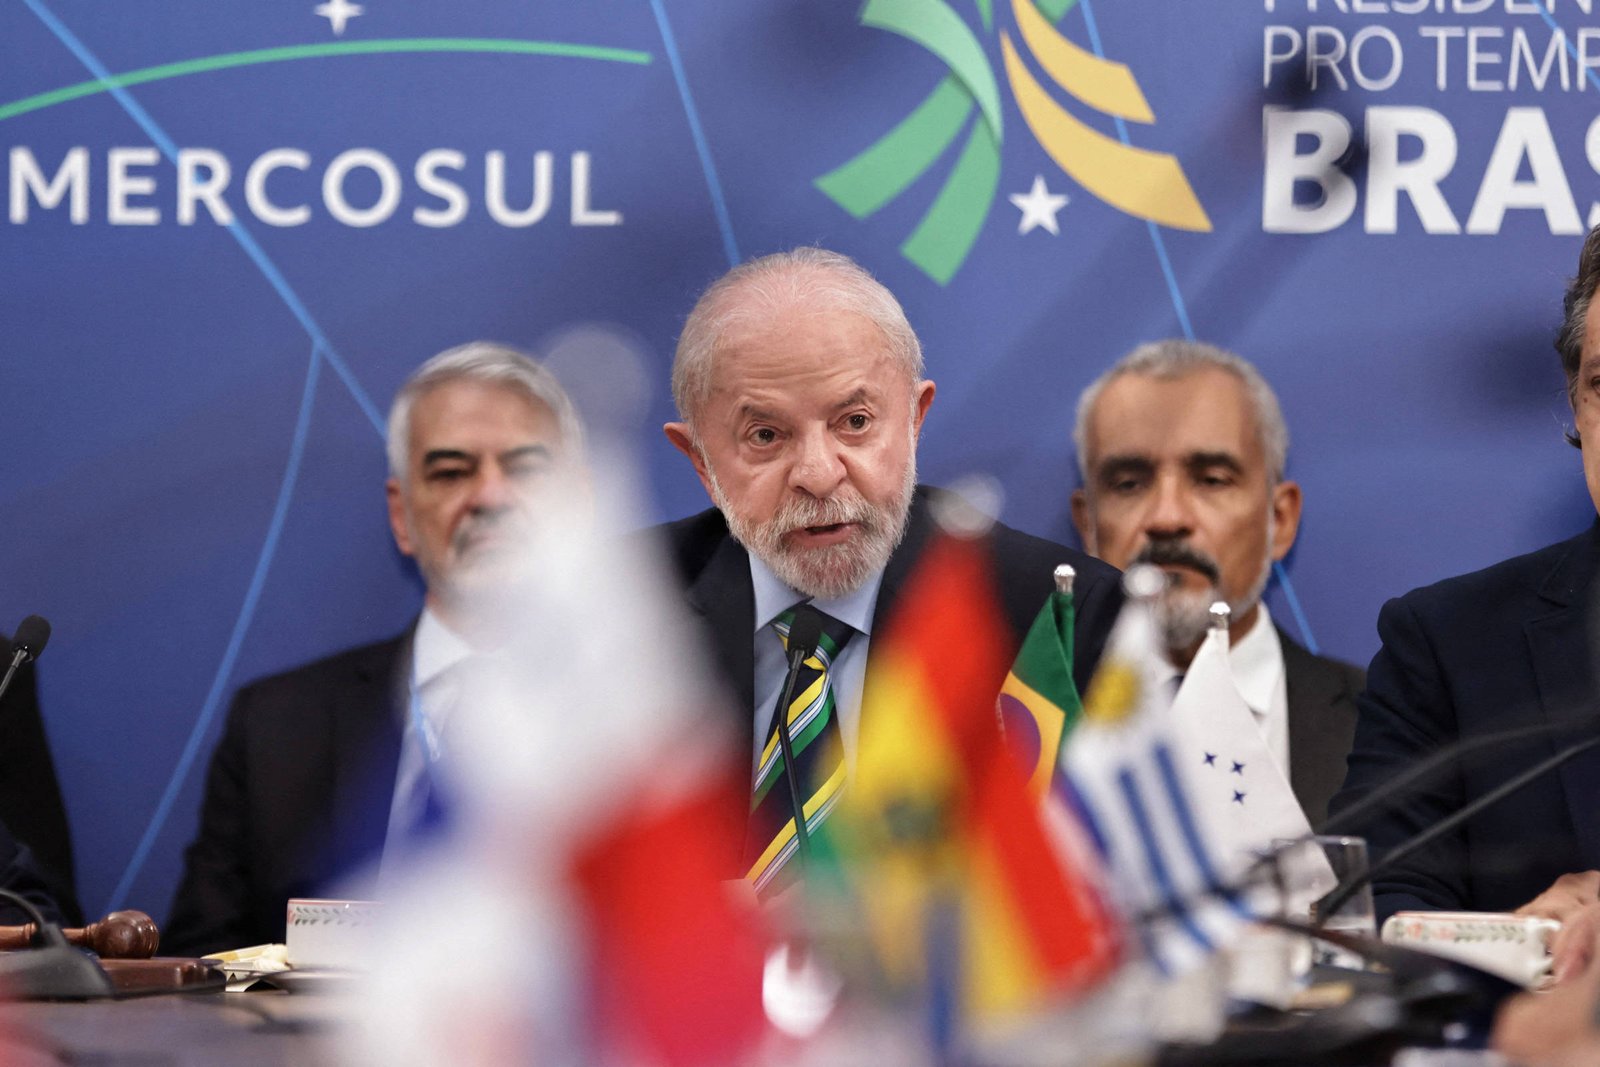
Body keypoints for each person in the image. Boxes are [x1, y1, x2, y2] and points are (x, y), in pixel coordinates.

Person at [654, 246, 1122, 885]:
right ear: (700, 461)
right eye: (765, 436)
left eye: (855, 422)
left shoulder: (1063, 619)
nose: (819, 474)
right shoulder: (621, 617)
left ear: (914, 420)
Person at [163, 342, 582, 957]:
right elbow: (201, 966)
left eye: (524, 469)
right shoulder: (276, 727)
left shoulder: (659, 714)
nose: (490, 496)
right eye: (451, 472)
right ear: (402, 517)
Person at [1330, 224, 1600, 956]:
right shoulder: (1449, 643)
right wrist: (1520, 943)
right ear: (1576, 408)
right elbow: (1373, 900)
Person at [1070, 339, 1363, 826]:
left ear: (1280, 520)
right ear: (1087, 526)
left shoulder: (1390, 728)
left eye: (1211, 479)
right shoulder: (1018, 726)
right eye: (1129, 484)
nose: (1167, 518)